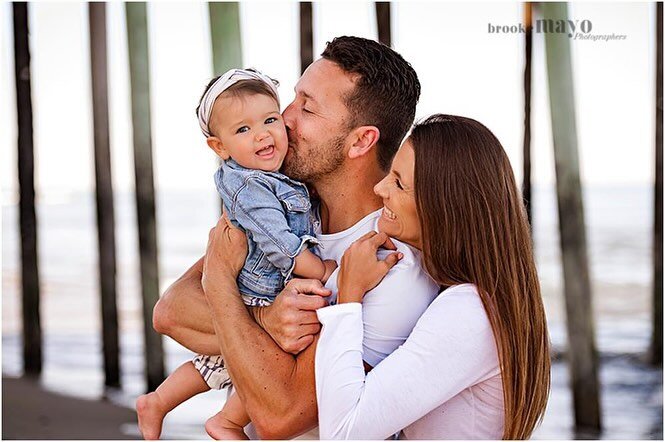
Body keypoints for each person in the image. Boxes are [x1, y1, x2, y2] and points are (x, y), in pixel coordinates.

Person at [153, 36, 435, 439]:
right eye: (293, 99)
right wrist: (264, 319)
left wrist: (219, 285)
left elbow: (280, 417)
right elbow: (171, 312)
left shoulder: (391, 267)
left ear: (361, 141)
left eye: (307, 108)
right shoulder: (285, 208)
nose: (283, 118)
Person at [313, 114, 552, 439]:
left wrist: (349, 294)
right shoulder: (478, 301)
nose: (379, 188)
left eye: (398, 182)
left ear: (444, 206)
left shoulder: (469, 311)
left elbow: (343, 433)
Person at [137, 68, 337, 440]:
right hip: (259, 291)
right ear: (220, 147)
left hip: (254, 293)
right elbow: (280, 244)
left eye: (270, 120)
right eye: (243, 130)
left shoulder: (275, 178)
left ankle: (161, 401)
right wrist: (319, 268)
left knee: (218, 362)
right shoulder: (250, 186)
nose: (263, 134)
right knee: (258, 351)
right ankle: (224, 420)